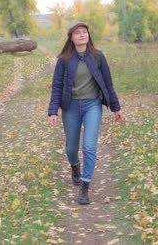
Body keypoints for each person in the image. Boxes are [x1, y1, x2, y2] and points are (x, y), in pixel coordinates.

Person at [48, 22, 122, 205]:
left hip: (92, 106)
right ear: (71, 38)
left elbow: (108, 84)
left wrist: (116, 107)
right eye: (77, 33)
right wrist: (53, 111)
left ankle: (84, 187)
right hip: (70, 107)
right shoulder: (64, 60)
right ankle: (75, 168)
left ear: (88, 36)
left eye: (84, 32)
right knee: (71, 148)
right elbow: (57, 86)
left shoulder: (98, 57)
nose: (82, 35)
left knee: (89, 147)